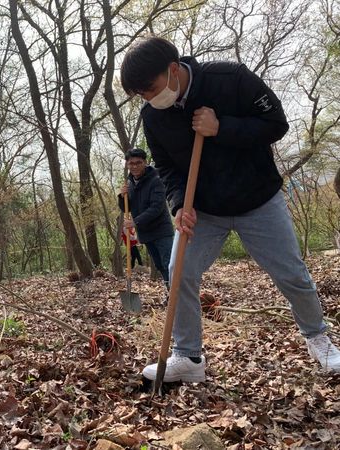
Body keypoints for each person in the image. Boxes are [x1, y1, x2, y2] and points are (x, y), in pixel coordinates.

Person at [119, 36, 340, 382]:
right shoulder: (153, 116)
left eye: (151, 88)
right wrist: (179, 205)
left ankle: (318, 338)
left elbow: (276, 123)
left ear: (173, 69)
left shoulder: (230, 78)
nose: (148, 98)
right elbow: (166, 168)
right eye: (141, 95)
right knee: (180, 271)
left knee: (291, 273)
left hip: (258, 200)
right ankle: (188, 356)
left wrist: (222, 127)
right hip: (205, 209)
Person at [119, 148, 173, 291]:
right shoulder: (130, 183)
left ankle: (178, 295)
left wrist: (135, 222)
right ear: (127, 165)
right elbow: (126, 209)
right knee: (160, 265)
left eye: (138, 163)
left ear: (145, 162)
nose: (135, 166)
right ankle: (170, 292)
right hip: (146, 232)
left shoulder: (156, 180)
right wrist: (122, 196)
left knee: (169, 264)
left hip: (161, 230)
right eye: (131, 163)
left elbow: (156, 208)